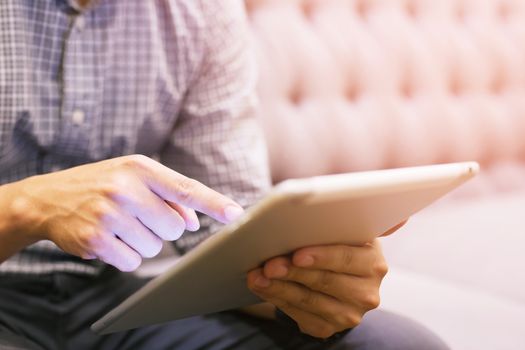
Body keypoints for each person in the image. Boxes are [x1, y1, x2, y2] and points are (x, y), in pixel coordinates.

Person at [0, 1, 450, 349]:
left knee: (397, 344)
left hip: (109, 292)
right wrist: (26, 208)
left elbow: (225, 228)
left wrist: (297, 286)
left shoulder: (201, 12)